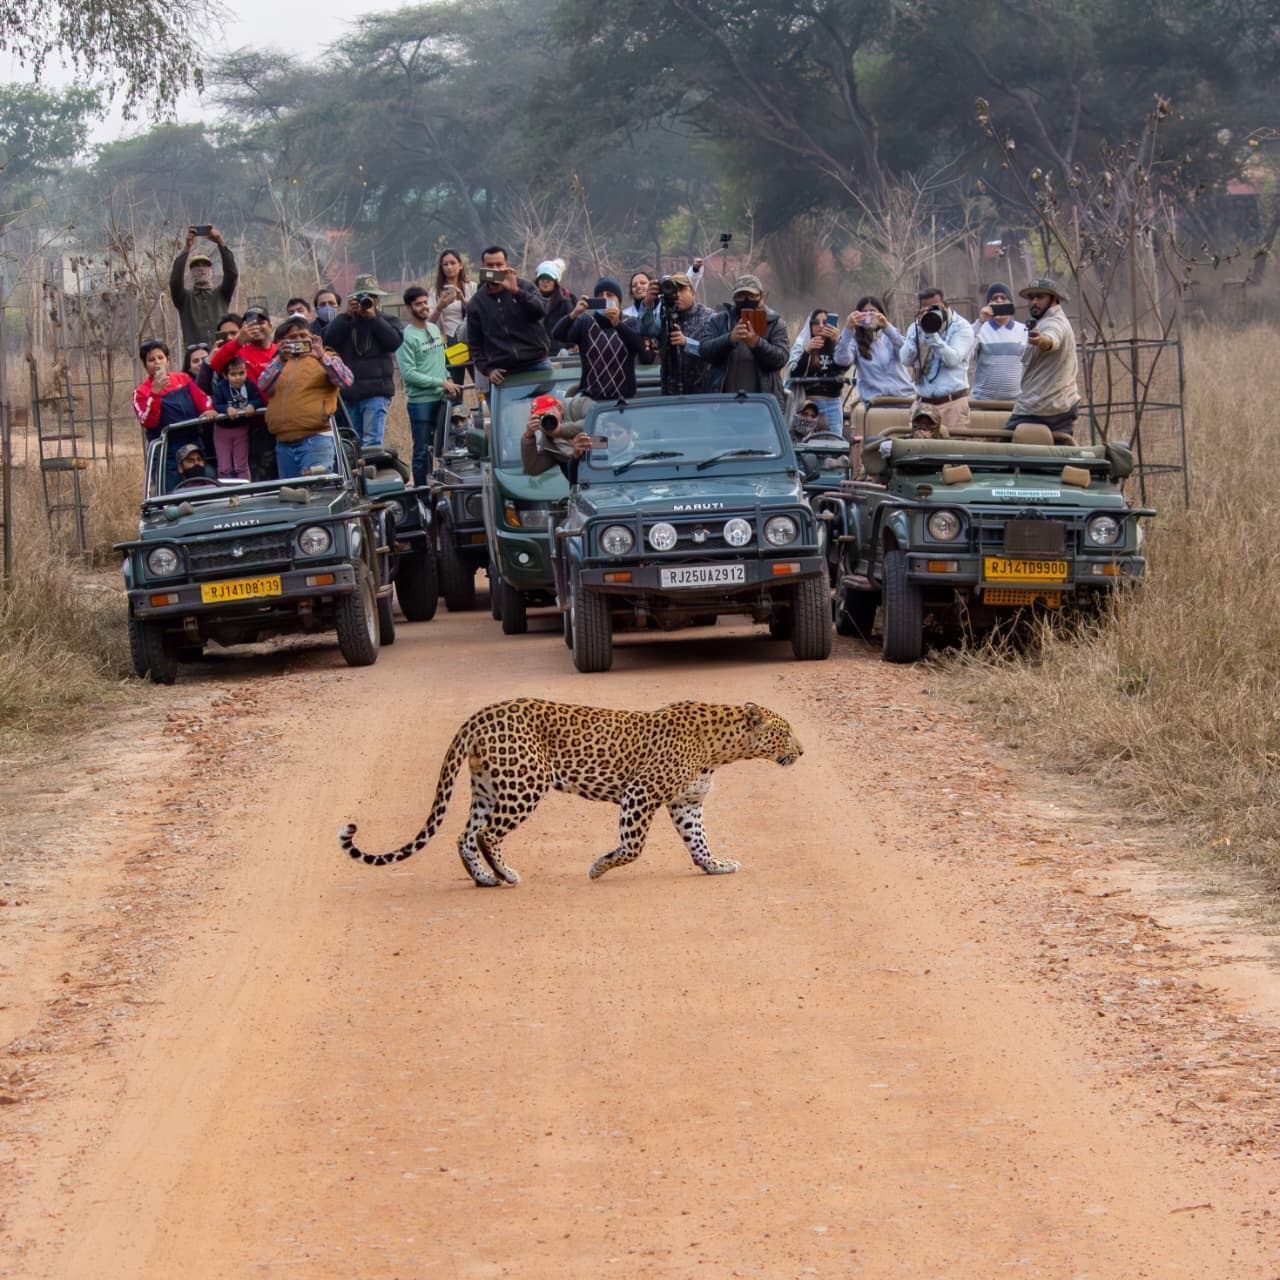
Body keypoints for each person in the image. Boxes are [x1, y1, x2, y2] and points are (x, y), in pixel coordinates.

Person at [257, 315, 354, 479]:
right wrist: (280, 359)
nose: (299, 340)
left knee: (316, 494)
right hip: (283, 443)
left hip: (316, 440)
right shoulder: (278, 362)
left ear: (313, 337)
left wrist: (322, 356)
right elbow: (263, 385)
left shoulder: (326, 356)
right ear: (282, 342)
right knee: (291, 497)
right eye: (292, 338)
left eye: (303, 336)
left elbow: (346, 380)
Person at [322, 274, 405, 447]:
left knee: (372, 443)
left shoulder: (388, 320)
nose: (368, 302)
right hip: (349, 393)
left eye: (372, 297)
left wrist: (373, 319)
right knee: (353, 444)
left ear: (377, 300)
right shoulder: (345, 321)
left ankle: (370, 473)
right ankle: (358, 473)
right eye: (362, 297)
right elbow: (328, 341)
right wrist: (345, 317)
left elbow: (394, 343)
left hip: (376, 391)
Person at [132, 338, 217, 490]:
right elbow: (148, 421)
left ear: (167, 360)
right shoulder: (141, 392)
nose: (157, 362)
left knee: (207, 482)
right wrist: (155, 394)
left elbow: (202, 398)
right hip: (167, 449)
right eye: (151, 360)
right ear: (145, 365)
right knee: (170, 490)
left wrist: (207, 409)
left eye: (160, 357)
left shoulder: (183, 379)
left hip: (193, 443)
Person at [697, 274, 790, 408]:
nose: (746, 300)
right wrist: (729, 339)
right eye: (740, 296)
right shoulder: (718, 320)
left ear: (761, 296)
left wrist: (756, 343)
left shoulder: (775, 323)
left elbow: (781, 358)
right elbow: (704, 350)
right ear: (733, 298)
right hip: (724, 404)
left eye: (751, 296)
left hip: (762, 405)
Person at [398, 285, 461, 485]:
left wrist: (448, 376)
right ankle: (422, 493)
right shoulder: (405, 337)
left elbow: (439, 361)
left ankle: (443, 488)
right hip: (421, 403)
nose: (424, 307)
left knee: (446, 448)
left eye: (426, 302)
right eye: (418, 304)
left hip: (442, 399)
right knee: (422, 451)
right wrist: (439, 382)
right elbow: (409, 374)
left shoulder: (434, 329)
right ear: (409, 308)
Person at [552, 276, 650, 401]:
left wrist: (617, 324)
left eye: (609, 295)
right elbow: (557, 334)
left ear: (618, 301)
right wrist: (574, 313)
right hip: (590, 400)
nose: (604, 298)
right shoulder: (585, 322)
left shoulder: (630, 322)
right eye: (600, 296)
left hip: (623, 401)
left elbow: (642, 350)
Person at [465, 245, 551, 386]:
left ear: (507, 265)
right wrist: (488, 370)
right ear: (483, 267)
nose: (495, 269)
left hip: (537, 364)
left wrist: (516, 292)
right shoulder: (476, 302)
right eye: (490, 265)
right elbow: (475, 345)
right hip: (504, 372)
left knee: (546, 408)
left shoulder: (525, 287)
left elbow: (540, 311)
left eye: (499, 264)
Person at [1007, 278, 1080, 437]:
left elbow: (1051, 338)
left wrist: (1041, 340)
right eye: (1031, 297)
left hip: (1040, 406)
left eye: (1040, 297)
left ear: (1053, 299)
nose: (1034, 302)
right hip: (1056, 403)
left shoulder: (1054, 322)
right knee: (1057, 457)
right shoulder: (1044, 321)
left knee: (1001, 454)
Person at [898, 286, 975, 433]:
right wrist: (920, 331)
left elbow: (952, 359)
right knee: (918, 452)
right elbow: (905, 359)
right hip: (922, 406)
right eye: (926, 309)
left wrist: (932, 335)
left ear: (946, 305)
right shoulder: (916, 327)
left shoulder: (962, 328)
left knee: (952, 453)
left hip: (952, 405)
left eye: (935, 307)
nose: (931, 312)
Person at [833, 296, 915, 403]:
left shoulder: (891, 337)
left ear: (881, 314)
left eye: (872, 312)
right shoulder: (855, 341)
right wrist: (848, 329)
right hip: (875, 401)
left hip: (904, 397)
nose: (868, 316)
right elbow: (841, 360)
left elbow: (909, 353)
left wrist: (887, 327)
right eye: (864, 313)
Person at [169, 225, 239, 350]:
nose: (201, 269)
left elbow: (232, 274)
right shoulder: (184, 299)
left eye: (205, 266)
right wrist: (187, 246)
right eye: (196, 266)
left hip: (220, 354)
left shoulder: (222, 295)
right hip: (195, 359)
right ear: (191, 273)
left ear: (211, 271)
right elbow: (175, 281)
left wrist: (220, 241)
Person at [789, 309, 851, 433]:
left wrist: (838, 342)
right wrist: (807, 352)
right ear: (810, 325)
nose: (821, 326)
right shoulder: (803, 343)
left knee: (834, 444)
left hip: (832, 403)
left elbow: (843, 367)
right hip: (808, 405)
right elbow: (794, 373)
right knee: (805, 444)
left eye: (825, 322)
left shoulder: (836, 344)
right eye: (816, 322)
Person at [660, 272, 717, 395]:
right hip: (670, 394)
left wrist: (686, 343)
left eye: (681, 289)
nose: (677, 295)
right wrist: (647, 305)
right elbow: (646, 330)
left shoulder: (709, 317)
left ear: (692, 292)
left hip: (702, 393)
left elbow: (715, 351)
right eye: (674, 290)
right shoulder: (663, 316)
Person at [211, 355, 267, 479]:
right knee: (224, 467)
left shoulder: (250, 385)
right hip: (222, 431)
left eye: (241, 373)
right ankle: (225, 493)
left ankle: (246, 493)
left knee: (241, 465)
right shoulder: (221, 387)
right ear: (225, 375)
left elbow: (259, 399)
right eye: (233, 374)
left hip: (242, 429)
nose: (238, 377)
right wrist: (226, 409)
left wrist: (253, 405)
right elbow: (215, 404)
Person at [970, 282, 1027, 402]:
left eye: (1003, 298)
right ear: (988, 305)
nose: (999, 301)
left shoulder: (1024, 330)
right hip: (983, 403)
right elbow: (965, 351)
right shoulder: (980, 328)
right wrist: (980, 321)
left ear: (1011, 303)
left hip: (1015, 404)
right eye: (994, 298)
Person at [428, 249, 476, 389]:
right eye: (445, 264)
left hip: (472, 338)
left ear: (460, 265)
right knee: (455, 386)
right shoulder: (435, 291)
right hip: (450, 340)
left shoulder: (471, 287)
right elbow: (429, 322)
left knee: (481, 384)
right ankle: (456, 409)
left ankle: (485, 408)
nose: (449, 267)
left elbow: (479, 313)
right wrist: (440, 306)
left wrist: (463, 299)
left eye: (453, 263)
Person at [520, 393, 595, 482]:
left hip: (606, 467)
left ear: (559, 408)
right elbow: (532, 469)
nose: (546, 420)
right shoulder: (550, 444)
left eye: (548, 414)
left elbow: (598, 421)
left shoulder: (579, 405)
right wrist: (528, 436)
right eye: (541, 417)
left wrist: (561, 430)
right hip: (584, 485)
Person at [533, 259, 576, 338]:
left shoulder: (565, 303)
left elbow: (571, 329)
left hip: (557, 348)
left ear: (555, 282)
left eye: (549, 278)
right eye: (542, 278)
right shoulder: (530, 300)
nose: (545, 281)